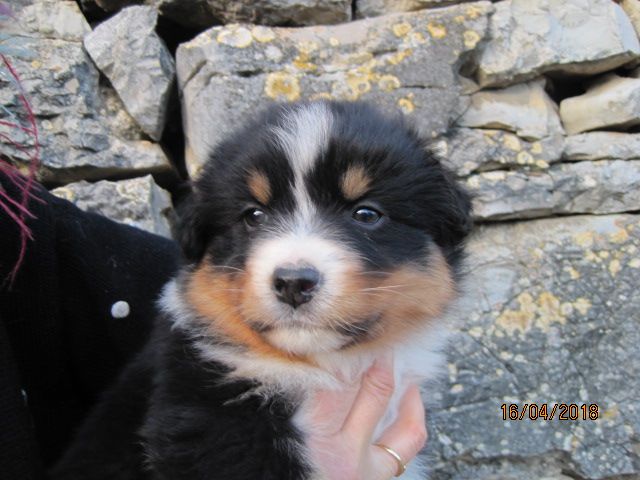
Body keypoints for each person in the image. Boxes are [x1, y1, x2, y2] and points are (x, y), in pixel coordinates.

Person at [0, 171, 427, 480]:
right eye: (254, 216)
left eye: (365, 214)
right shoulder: (213, 394)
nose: (296, 266)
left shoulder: (51, 238)